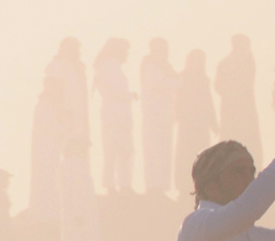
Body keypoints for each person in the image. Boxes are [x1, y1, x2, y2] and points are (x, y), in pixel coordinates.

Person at [93, 39, 137, 194]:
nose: (127, 54)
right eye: (125, 51)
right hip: (114, 117)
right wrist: (129, 96)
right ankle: (113, 185)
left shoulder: (112, 68)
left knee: (123, 151)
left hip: (119, 117)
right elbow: (114, 91)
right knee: (114, 152)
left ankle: (123, 184)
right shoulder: (109, 68)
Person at [59, 137, 101, 241]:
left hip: (82, 213)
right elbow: (75, 190)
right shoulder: (73, 165)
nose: (85, 151)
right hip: (79, 216)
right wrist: (78, 212)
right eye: (82, 147)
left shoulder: (75, 164)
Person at [28, 77, 71, 223]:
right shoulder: (44, 105)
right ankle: (48, 215)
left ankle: (49, 214)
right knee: (48, 180)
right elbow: (50, 127)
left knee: (50, 179)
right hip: (45, 151)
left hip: (48, 150)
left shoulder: (47, 105)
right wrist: (67, 127)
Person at [215, 36, 262, 161]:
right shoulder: (228, 63)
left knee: (249, 142)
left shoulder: (248, 62)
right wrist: (231, 93)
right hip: (231, 111)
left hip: (246, 110)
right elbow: (218, 86)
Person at [141, 39, 178, 195]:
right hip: (153, 116)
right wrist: (175, 81)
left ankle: (161, 187)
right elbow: (159, 84)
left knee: (164, 151)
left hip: (164, 117)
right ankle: (153, 186)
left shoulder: (166, 67)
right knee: (154, 151)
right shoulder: (150, 66)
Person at [175, 50, 217, 183]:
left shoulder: (203, 79)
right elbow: (177, 99)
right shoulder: (183, 78)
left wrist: (213, 122)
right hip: (187, 124)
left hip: (201, 124)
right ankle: (183, 185)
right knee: (185, 155)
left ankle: (200, 184)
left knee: (202, 155)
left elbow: (208, 101)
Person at [44, 38, 90, 144]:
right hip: (65, 115)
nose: (78, 52)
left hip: (78, 116)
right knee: (69, 146)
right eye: (74, 49)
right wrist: (62, 113)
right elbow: (53, 93)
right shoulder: (57, 65)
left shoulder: (77, 68)